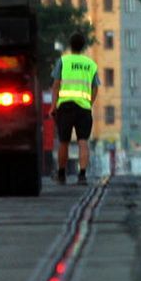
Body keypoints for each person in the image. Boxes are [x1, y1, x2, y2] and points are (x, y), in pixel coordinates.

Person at [54, 34, 100, 185]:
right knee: (83, 142)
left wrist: (53, 106)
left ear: (70, 45)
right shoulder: (91, 64)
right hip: (84, 108)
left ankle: (61, 175)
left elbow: (56, 84)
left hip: (65, 106)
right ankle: (82, 175)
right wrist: (89, 103)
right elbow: (95, 88)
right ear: (84, 47)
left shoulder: (63, 61)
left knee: (64, 141)